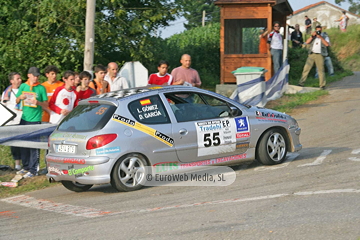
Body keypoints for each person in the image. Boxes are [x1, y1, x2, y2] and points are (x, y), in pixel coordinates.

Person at [15, 67, 48, 178]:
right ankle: (26, 167)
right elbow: (17, 100)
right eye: (34, 75)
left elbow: (46, 104)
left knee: (34, 145)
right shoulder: (24, 86)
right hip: (24, 118)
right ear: (29, 75)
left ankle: (34, 169)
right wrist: (21, 97)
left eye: (38, 75)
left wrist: (37, 102)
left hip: (36, 119)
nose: (36, 77)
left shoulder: (41, 88)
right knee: (24, 143)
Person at [1, 72, 23, 170]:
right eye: (17, 78)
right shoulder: (7, 92)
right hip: (12, 121)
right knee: (15, 143)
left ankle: (26, 164)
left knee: (25, 142)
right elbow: (3, 107)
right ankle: (17, 164)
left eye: (20, 78)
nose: (20, 80)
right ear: (12, 81)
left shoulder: (24, 90)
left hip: (24, 119)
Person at [298, 25, 330, 90]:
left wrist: (320, 37)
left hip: (320, 54)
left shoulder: (325, 36)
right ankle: (301, 83)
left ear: (321, 30)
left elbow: (327, 44)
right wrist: (312, 36)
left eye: (319, 30)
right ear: (315, 30)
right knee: (306, 68)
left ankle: (322, 85)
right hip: (312, 54)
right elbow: (307, 42)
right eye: (317, 30)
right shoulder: (313, 36)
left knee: (320, 70)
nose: (318, 32)